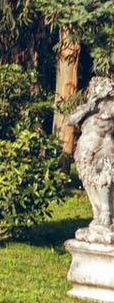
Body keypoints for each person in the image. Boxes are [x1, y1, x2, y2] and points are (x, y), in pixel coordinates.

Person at [67, 76, 114, 241]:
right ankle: (97, 216)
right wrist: (88, 106)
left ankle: (107, 216)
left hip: (103, 152)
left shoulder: (111, 108)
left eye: (97, 87)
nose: (93, 90)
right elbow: (70, 121)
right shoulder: (89, 108)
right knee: (90, 184)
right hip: (85, 153)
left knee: (103, 182)